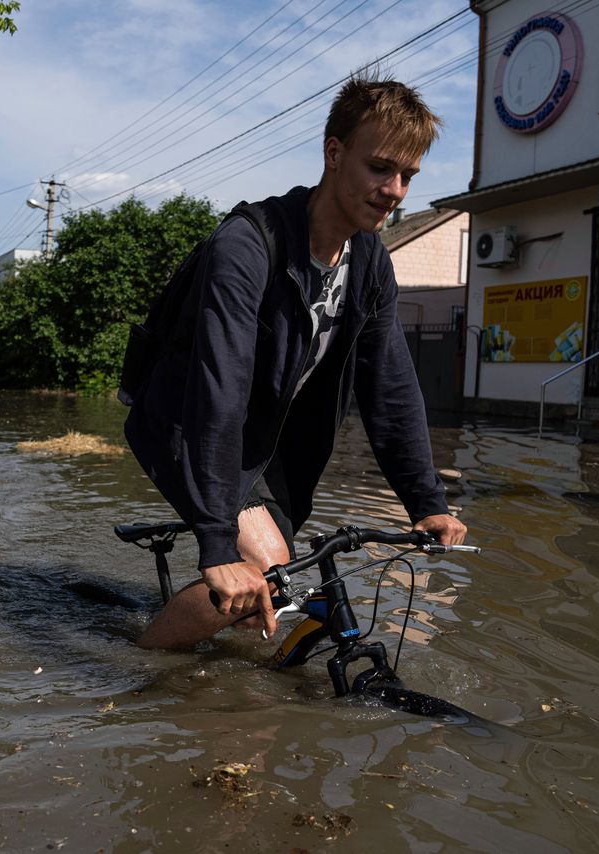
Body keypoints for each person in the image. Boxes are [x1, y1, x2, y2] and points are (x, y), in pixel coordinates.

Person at [123, 74, 467, 649]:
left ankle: (212, 673)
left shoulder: (370, 261)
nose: (396, 190)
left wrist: (426, 502)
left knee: (274, 586)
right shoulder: (246, 245)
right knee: (267, 564)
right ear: (334, 153)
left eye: (408, 175)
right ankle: (132, 669)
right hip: (188, 420)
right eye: (381, 168)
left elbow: (391, 387)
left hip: (266, 440)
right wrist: (214, 540)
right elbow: (218, 388)